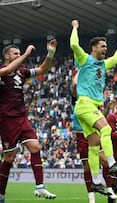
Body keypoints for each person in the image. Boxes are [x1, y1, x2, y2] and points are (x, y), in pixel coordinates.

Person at [70, 19, 117, 195]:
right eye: (102, 46)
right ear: (94, 47)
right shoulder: (84, 59)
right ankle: (111, 161)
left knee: (93, 145)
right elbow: (73, 44)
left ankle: (95, 181)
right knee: (106, 128)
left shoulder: (103, 64)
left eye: (105, 46)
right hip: (85, 104)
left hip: (90, 107)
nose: (105, 49)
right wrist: (75, 27)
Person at [0, 40, 57, 202]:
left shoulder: (22, 72)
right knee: (9, 158)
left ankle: (40, 187)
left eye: (19, 53)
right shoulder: (2, 69)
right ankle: (1, 194)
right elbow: (8, 70)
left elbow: (43, 69)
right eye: (15, 53)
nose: (18, 55)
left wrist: (50, 53)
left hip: (22, 117)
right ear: (6, 56)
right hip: (6, 119)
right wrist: (26, 54)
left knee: (35, 147)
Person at [71, 68, 117, 203]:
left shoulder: (95, 100)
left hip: (95, 133)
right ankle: (91, 198)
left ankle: (109, 190)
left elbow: (103, 117)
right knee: (87, 166)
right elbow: (74, 87)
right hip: (81, 134)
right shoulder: (78, 99)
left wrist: (108, 107)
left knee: (103, 161)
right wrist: (79, 72)